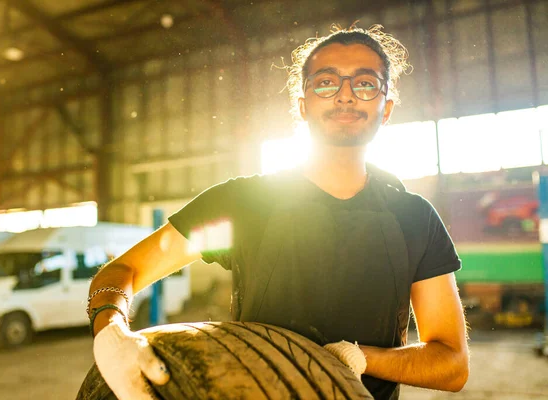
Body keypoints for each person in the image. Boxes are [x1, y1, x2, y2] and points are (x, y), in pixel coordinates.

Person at [87, 24, 470, 400]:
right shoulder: (242, 208)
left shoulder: (414, 220)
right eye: (326, 82)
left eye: (365, 83)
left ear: (385, 109)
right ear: (302, 106)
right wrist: (112, 333)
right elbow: (124, 272)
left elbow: (451, 363)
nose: (346, 96)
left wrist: (361, 359)